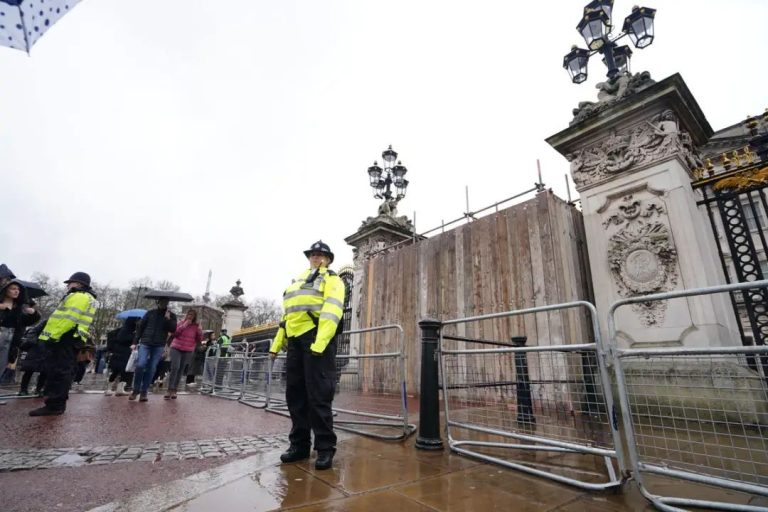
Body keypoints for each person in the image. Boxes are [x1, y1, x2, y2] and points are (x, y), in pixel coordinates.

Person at [269, 240, 346, 470]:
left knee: (319, 396)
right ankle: (299, 445)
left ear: (328, 259)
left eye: (321, 254)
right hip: (295, 341)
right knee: (296, 396)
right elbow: (287, 317)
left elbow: (332, 312)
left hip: (316, 340)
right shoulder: (297, 281)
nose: (316, 257)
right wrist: (276, 344)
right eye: (313, 254)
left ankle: (324, 448)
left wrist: (320, 344)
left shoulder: (333, 279)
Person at [29, 272, 97, 417]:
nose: (67, 285)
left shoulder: (78, 296)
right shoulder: (88, 298)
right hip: (73, 337)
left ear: (79, 284)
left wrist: (51, 337)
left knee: (59, 371)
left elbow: (67, 319)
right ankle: (56, 403)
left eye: (70, 282)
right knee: (64, 370)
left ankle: (54, 404)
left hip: (64, 337)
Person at [129, 299, 177, 402]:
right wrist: (134, 342)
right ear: (158, 302)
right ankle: (136, 389)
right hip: (145, 342)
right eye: (161, 302)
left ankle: (144, 392)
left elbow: (173, 329)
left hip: (159, 344)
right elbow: (141, 327)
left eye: (165, 302)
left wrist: (168, 320)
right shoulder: (150, 313)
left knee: (151, 368)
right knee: (140, 365)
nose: (163, 303)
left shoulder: (171, 315)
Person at [0, 280, 41, 384]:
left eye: (18, 289)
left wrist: (34, 313)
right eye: (13, 289)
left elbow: (27, 322)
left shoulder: (20, 306)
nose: (16, 291)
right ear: (6, 290)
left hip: (12, 337)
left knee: (2, 364)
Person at [166, 309, 203, 399]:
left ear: (195, 317)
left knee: (181, 370)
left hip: (188, 349)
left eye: (192, 315)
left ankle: (174, 390)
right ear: (186, 315)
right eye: (189, 314)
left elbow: (199, 340)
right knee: (175, 367)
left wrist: (199, 331)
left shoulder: (196, 326)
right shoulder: (181, 322)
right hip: (176, 347)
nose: (190, 316)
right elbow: (175, 334)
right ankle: (169, 389)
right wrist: (185, 325)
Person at [105, 318, 138, 396]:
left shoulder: (123, 329)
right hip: (122, 353)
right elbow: (124, 339)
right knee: (119, 371)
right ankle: (111, 388)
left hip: (120, 353)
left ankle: (117, 388)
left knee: (120, 371)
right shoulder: (126, 331)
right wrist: (134, 337)